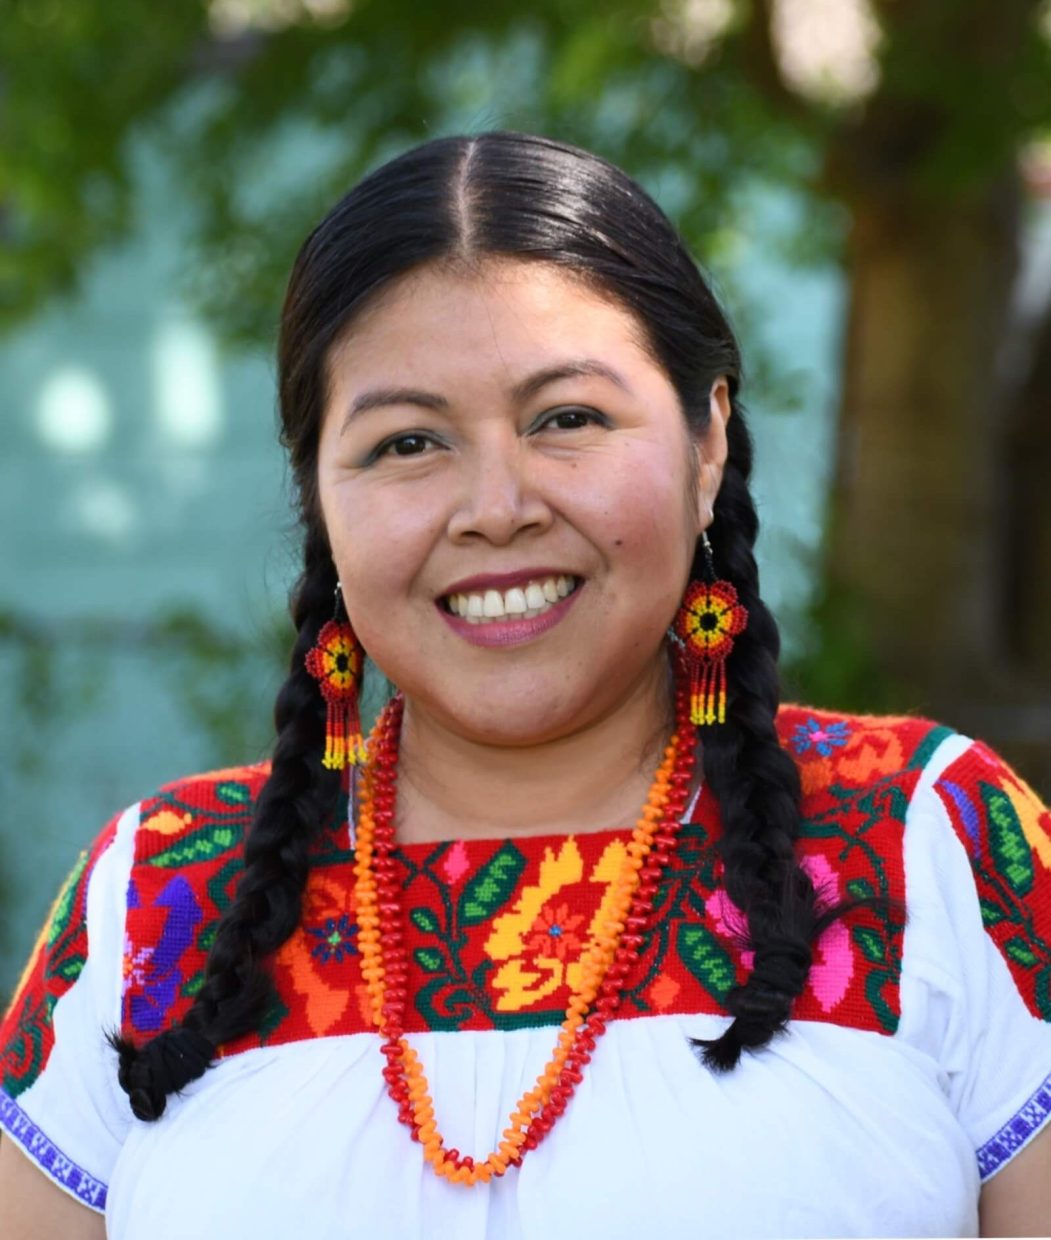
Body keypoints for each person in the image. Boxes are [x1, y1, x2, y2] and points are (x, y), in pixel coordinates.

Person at [1, 130, 1049, 1240]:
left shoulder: (922, 838)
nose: (495, 506)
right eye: (408, 442)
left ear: (707, 442)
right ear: (321, 496)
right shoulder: (161, 890)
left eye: (567, 419)